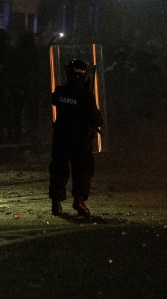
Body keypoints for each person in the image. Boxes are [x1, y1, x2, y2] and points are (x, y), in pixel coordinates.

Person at [49, 59, 103, 217]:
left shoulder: (61, 93)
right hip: (81, 140)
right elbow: (97, 119)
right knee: (83, 170)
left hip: (61, 138)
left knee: (59, 169)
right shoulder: (85, 97)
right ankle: (79, 200)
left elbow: (57, 99)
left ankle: (56, 202)